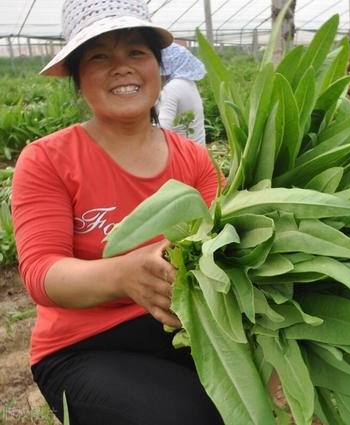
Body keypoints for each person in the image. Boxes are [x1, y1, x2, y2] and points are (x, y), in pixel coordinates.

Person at [11, 0, 224, 424]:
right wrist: (124, 275)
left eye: (136, 52)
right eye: (99, 56)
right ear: (77, 76)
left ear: (158, 67)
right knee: (184, 416)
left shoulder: (194, 161)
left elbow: (221, 250)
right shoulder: (47, 159)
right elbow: (41, 273)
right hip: (85, 345)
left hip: (186, 330)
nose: (121, 67)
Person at [157, 42, 207, 145]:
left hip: (184, 153)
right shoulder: (188, 83)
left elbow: (163, 127)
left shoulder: (172, 88)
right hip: (197, 149)